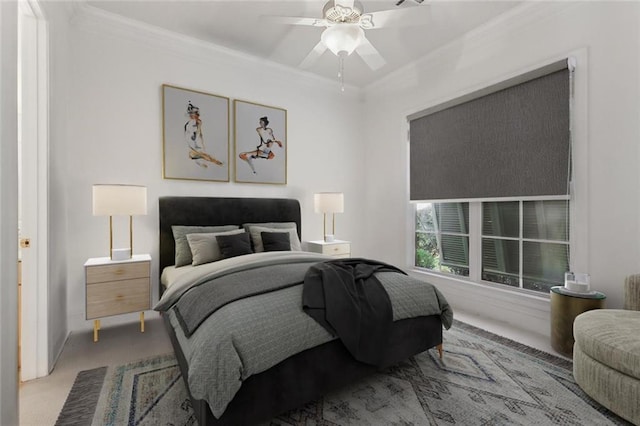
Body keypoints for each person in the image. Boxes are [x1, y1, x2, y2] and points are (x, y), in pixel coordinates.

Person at [184, 101, 223, 168]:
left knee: (208, 162)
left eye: (197, 113)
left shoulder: (198, 123)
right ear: (191, 115)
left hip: (200, 149)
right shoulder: (190, 125)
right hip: (194, 150)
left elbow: (200, 137)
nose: (198, 115)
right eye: (196, 114)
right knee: (208, 162)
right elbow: (192, 139)